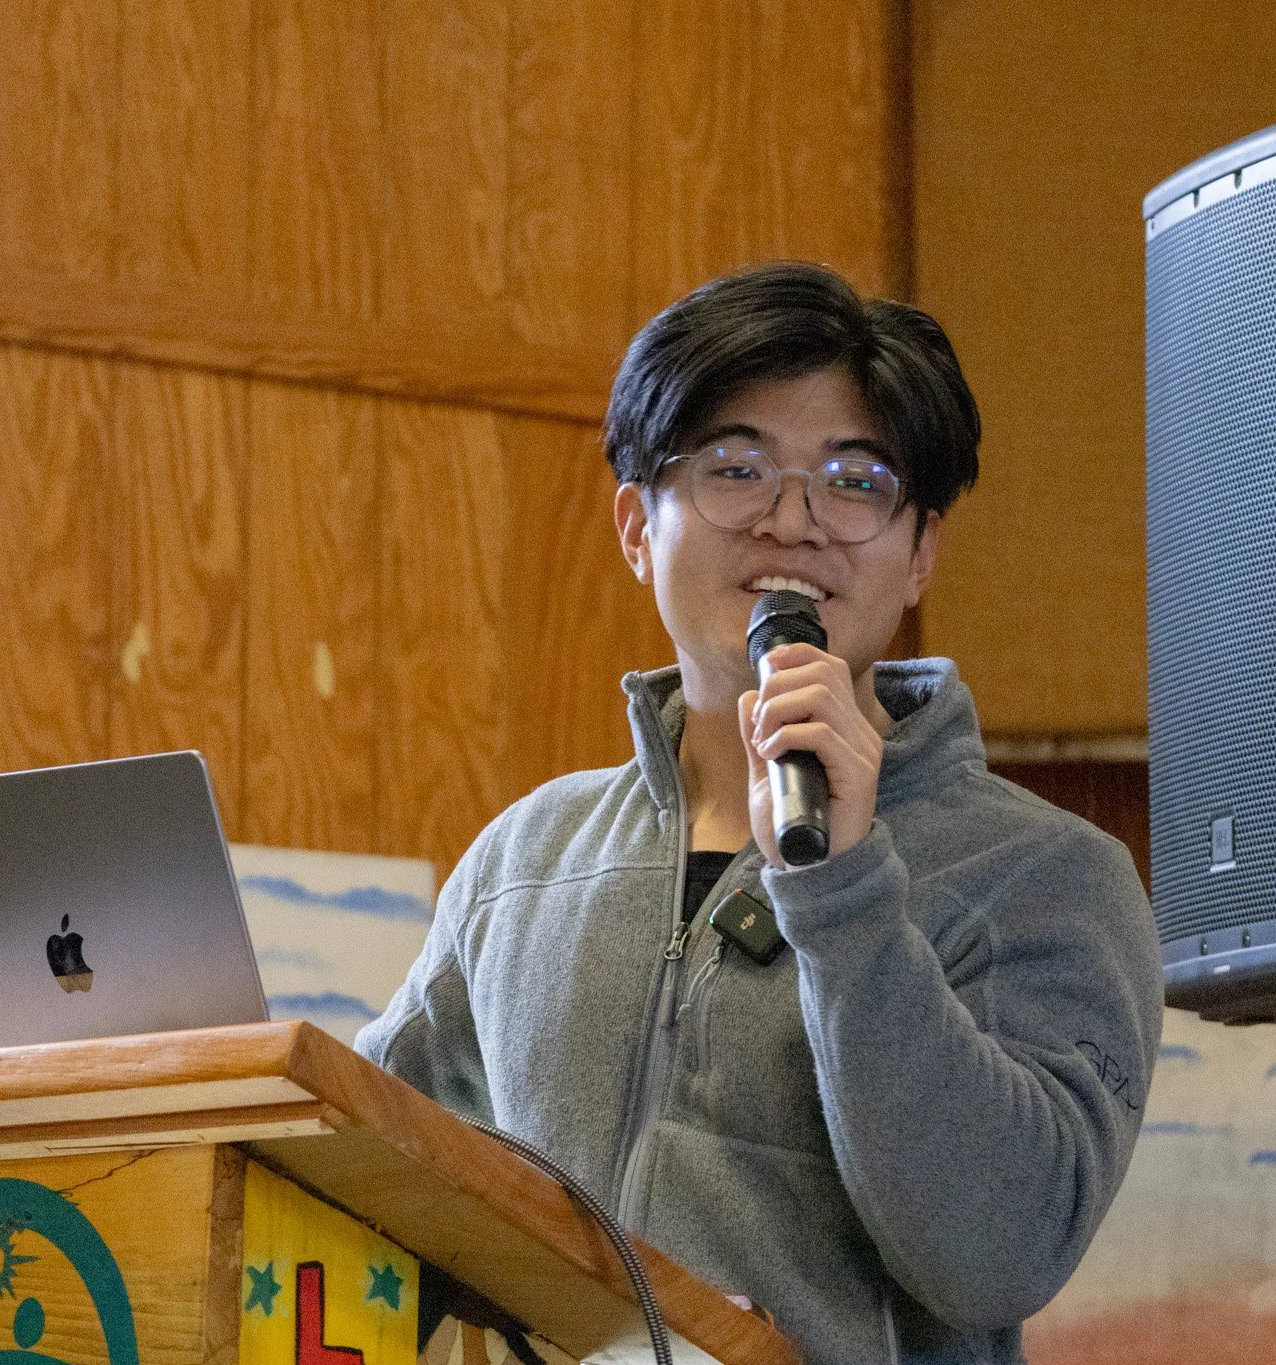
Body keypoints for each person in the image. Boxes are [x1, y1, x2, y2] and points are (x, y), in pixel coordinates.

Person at [356, 261, 1162, 1363]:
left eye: (855, 480)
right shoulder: (526, 857)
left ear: (920, 552)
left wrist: (845, 893)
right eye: (736, 470)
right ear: (636, 525)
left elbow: (998, 1253)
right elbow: (365, 1168)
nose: (793, 521)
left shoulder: (1045, 875)